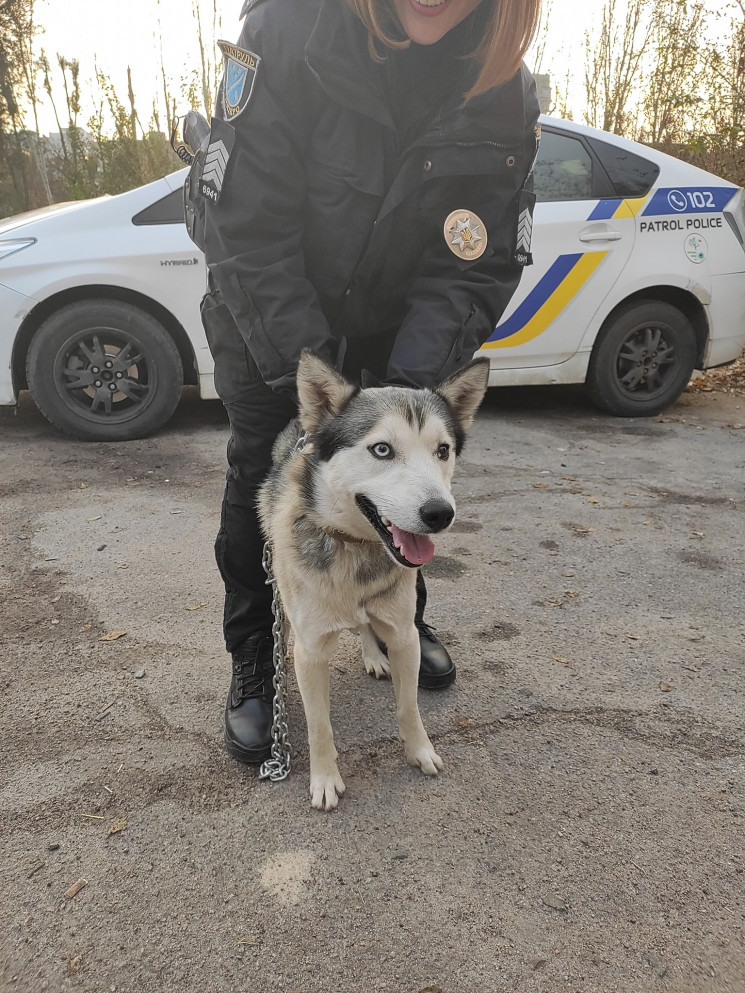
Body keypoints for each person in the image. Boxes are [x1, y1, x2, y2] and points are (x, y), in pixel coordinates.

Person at [198, 0, 542, 764]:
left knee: (398, 475)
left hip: (402, 337)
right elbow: (246, 226)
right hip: (272, 315)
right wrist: (329, 401)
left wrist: (403, 399)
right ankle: (255, 651)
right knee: (263, 468)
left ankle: (396, 617)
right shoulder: (286, 29)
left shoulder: (504, 87)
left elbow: (474, 261)